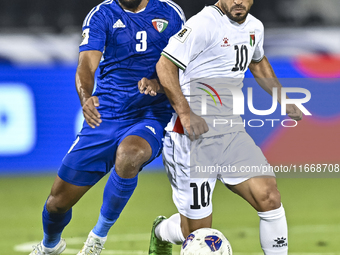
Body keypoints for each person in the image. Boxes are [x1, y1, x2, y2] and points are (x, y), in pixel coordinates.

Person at [145, 0, 303, 254]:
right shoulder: (203, 25)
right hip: (191, 138)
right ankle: (162, 231)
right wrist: (185, 114)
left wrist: (283, 99)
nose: (238, 1)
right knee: (197, 234)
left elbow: (257, 61)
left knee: (269, 196)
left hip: (231, 133)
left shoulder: (255, 26)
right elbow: (165, 65)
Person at [29, 0, 185, 254]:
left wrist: (159, 82)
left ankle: (97, 238)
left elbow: (185, 61)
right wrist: (85, 98)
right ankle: (50, 245)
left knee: (130, 153)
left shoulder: (171, 12)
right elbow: (86, 65)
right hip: (106, 115)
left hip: (151, 113)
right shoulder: (102, 14)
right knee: (57, 203)